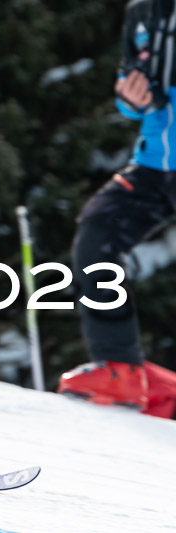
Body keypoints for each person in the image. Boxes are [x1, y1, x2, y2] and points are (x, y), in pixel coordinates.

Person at [59, 0, 176, 417]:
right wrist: (132, 97)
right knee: (98, 234)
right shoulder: (143, 12)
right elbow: (131, 84)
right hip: (155, 163)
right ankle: (120, 371)